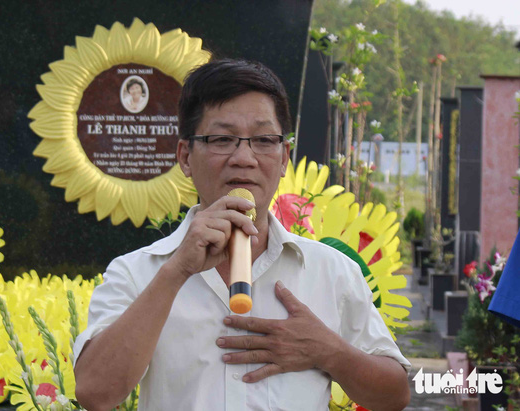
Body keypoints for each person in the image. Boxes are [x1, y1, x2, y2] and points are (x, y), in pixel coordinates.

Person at [74, 59, 411, 411]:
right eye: (222, 139)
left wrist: (328, 352)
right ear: (185, 157)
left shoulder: (332, 270)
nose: (244, 158)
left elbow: (395, 396)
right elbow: (95, 393)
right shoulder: (137, 272)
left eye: (264, 140)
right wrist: (176, 273)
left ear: (284, 158)